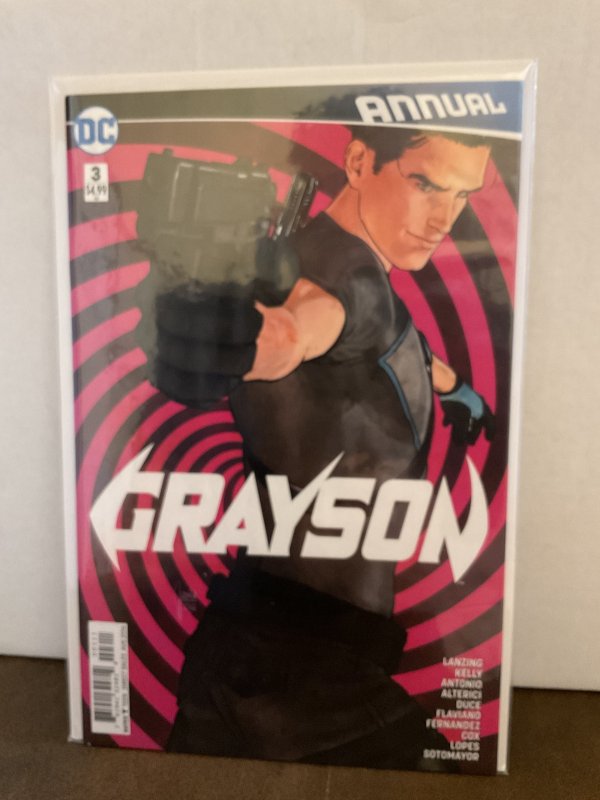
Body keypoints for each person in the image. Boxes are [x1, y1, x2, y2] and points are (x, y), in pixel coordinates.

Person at [149, 126, 495, 768]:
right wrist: (229, 342)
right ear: (359, 161)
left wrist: (458, 391)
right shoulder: (343, 277)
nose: (444, 219)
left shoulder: (357, 265)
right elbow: (297, 330)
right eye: (425, 184)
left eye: (462, 195)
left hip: (258, 645)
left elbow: (397, 342)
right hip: (304, 672)